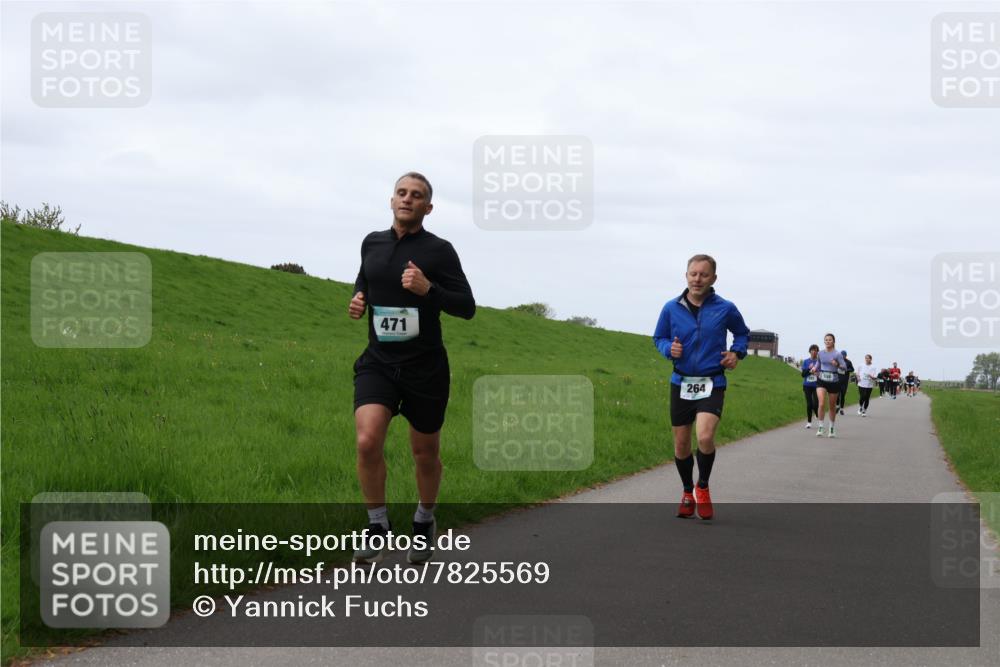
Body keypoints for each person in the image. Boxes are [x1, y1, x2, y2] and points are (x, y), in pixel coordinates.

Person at [349, 172, 475, 564]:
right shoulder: (372, 242)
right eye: (401, 193)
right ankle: (377, 526)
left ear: (428, 207)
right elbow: (365, 282)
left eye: (416, 195)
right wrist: (358, 299)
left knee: (425, 453)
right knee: (367, 441)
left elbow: (466, 307)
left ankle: (423, 520)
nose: (407, 199)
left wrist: (429, 290)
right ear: (391, 201)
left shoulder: (440, 251)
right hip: (379, 363)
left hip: (425, 368)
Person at [653, 254, 749, 520]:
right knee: (681, 445)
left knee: (705, 436)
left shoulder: (725, 308)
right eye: (693, 273)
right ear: (686, 276)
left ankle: (702, 486)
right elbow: (658, 337)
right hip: (681, 382)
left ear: (713, 278)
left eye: (703, 274)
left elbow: (742, 333)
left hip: (712, 381)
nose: (697, 279)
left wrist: (736, 353)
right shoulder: (671, 308)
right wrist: (667, 349)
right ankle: (687, 491)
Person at [815, 333, 846, 438]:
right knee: (822, 403)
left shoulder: (837, 354)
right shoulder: (820, 353)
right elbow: (818, 364)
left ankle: (831, 428)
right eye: (826, 340)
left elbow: (844, 367)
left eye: (830, 340)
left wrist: (837, 364)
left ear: (833, 342)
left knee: (832, 407)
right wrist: (814, 368)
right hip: (821, 380)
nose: (828, 341)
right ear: (824, 341)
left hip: (834, 381)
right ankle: (820, 427)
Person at [801, 345, 821, 428]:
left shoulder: (819, 362)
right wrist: (810, 370)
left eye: (815, 350)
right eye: (812, 350)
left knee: (816, 403)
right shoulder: (806, 361)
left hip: (817, 385)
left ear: (817, 352)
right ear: (810, 351)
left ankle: (816, 412)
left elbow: (821, 373)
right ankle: (809, 422)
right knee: (809, 404)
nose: (814, 352)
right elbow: (803, 374)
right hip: (807, 385)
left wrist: (818, 373)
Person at [836, 350, 855, 415]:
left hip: (844, 381)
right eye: (841, 355)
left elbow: (852, 369)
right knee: (837, 394)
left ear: (845, 355)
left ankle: (841, 409)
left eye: (844, 355)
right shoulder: (837, 361)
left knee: (843, 395)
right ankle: (837, 406)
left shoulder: (848, 362)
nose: (842, 356)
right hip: (837, 380)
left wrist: (847, 370)